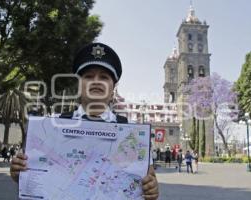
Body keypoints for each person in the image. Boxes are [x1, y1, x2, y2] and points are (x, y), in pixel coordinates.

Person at [10, 42, 159, 199]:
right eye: (88, 76)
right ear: (79, 84)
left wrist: (152, 190)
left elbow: (148, 180)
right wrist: (20, 173)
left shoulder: (133, 136)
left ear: (113, 86)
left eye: (104, 77)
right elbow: (35, 178)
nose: (96, 81)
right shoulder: (51, 127)